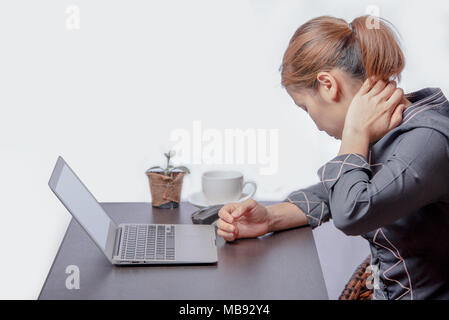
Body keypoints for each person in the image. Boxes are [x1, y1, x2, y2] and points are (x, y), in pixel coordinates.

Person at [216, 15, 449, 300]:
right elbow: (338, 192)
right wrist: (270, 218)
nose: (314, 123)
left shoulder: (427, 140)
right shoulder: (395, 129)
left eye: (305, 107)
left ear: (327, 85)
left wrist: (354, 132)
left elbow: (352, 211)